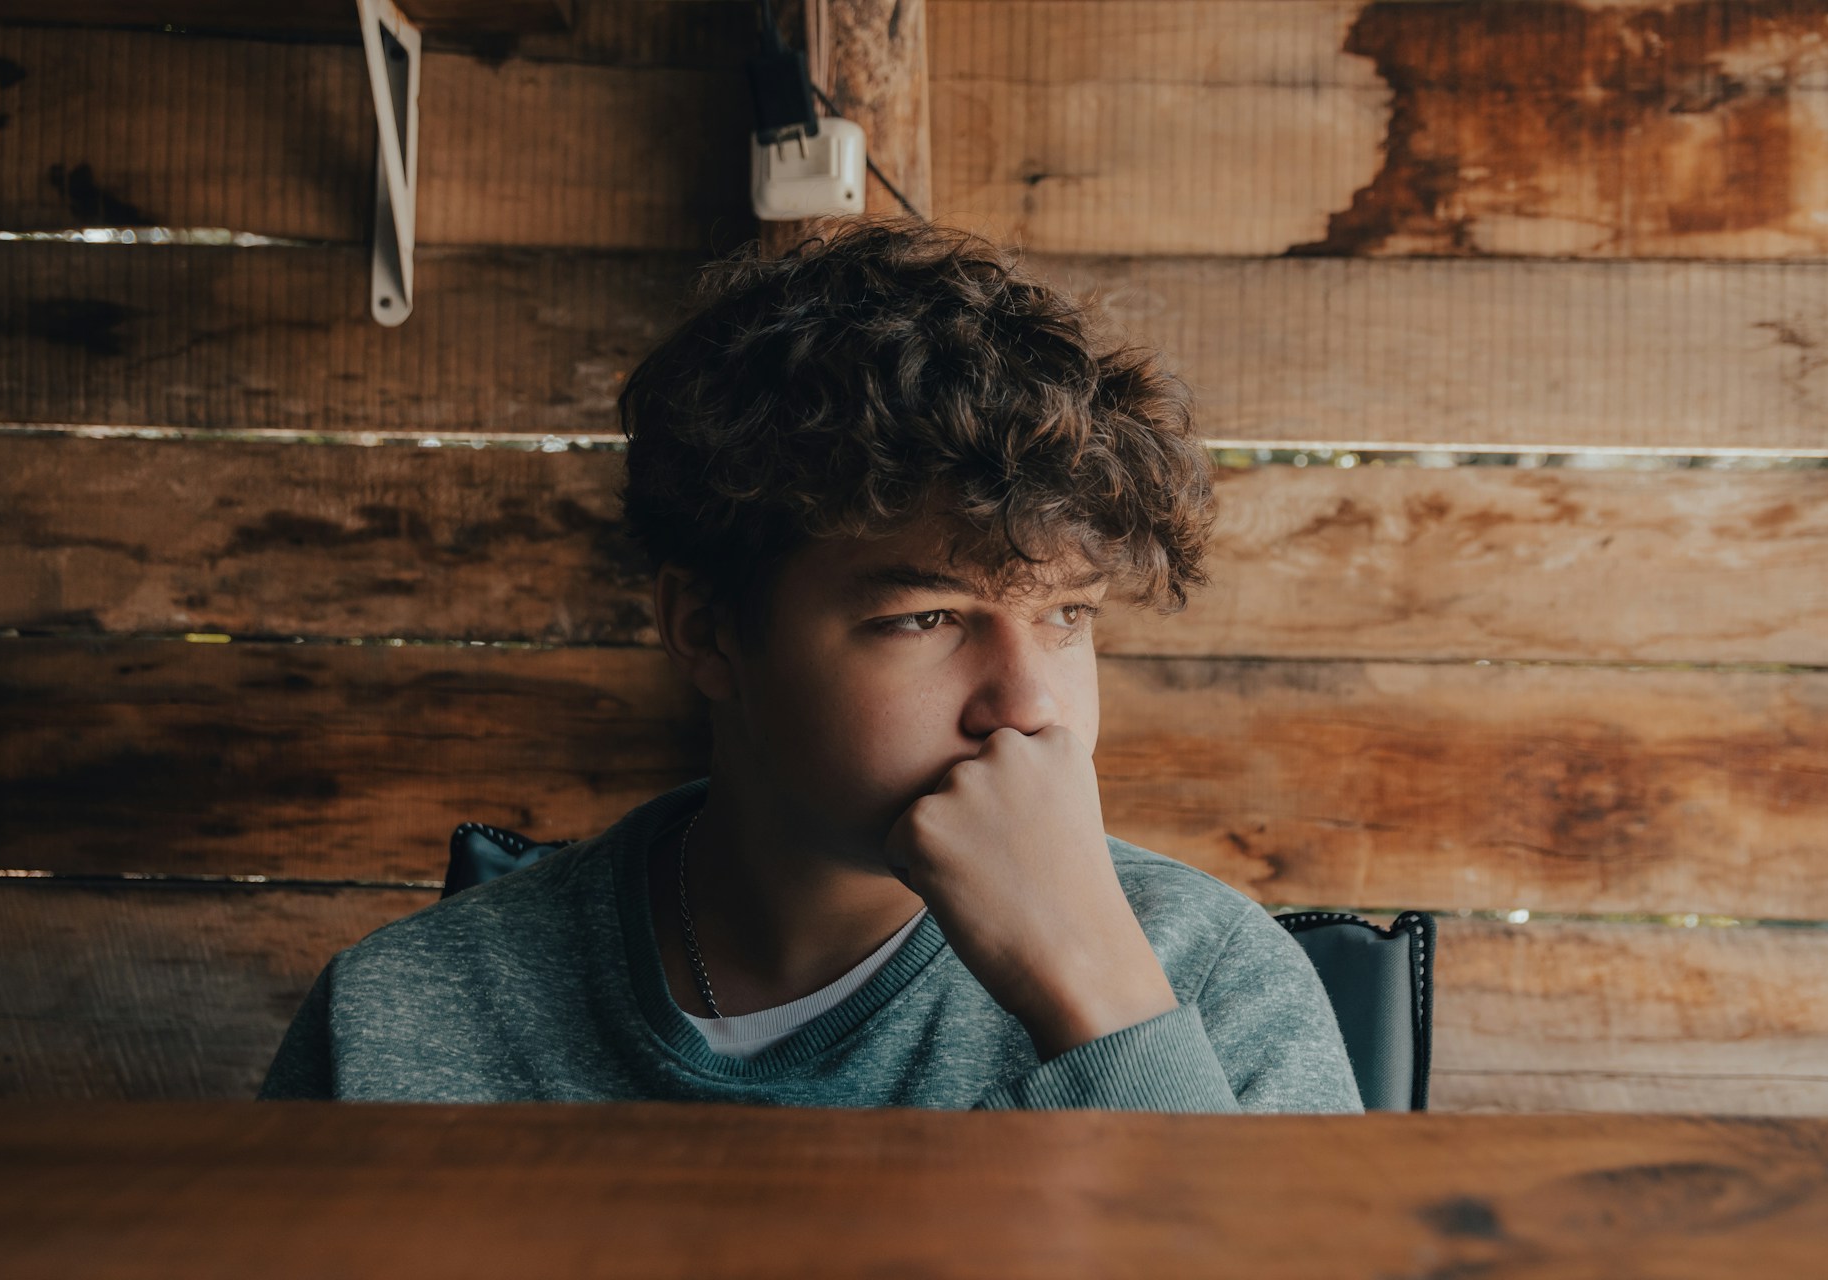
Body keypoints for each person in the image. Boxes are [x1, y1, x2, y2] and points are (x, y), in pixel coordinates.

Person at [258, 218, 1362, 1112]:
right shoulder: (405, 1014)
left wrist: (1102, 1006)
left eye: (1068, 615)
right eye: (928, 619)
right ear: (707, 631)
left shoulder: (1213, 982)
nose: (1031, 708)